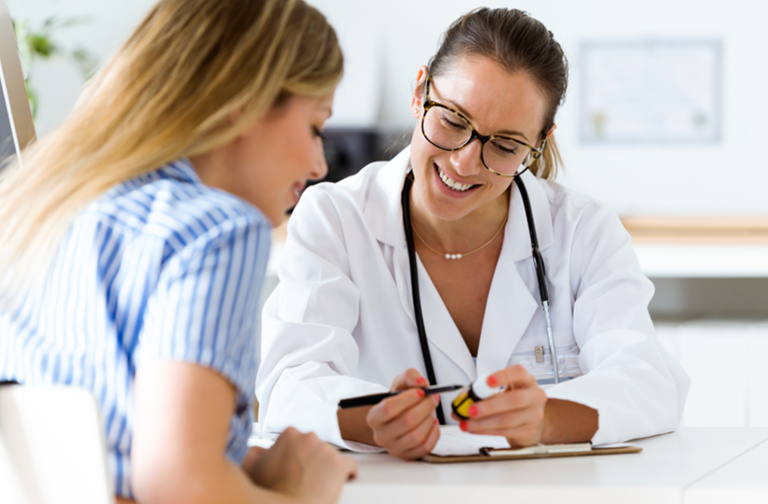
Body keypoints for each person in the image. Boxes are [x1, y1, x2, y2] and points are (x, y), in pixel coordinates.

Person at [256, 7, 690, 459]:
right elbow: (289, 385)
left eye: (504, 145)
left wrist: (545, 418)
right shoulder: (336, 219)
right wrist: (375, 420)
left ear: (539, 141)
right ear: (421, 91)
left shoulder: (582, 230)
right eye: (452, 120)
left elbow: (648, 380)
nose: (464, 162)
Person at [0, 0, 357, 502]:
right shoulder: (218, 231)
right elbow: (180, 484)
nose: (320, 163)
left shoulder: (39, 209)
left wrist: (229, 460)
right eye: (315, 127)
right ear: (246, 101)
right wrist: (302, 492)